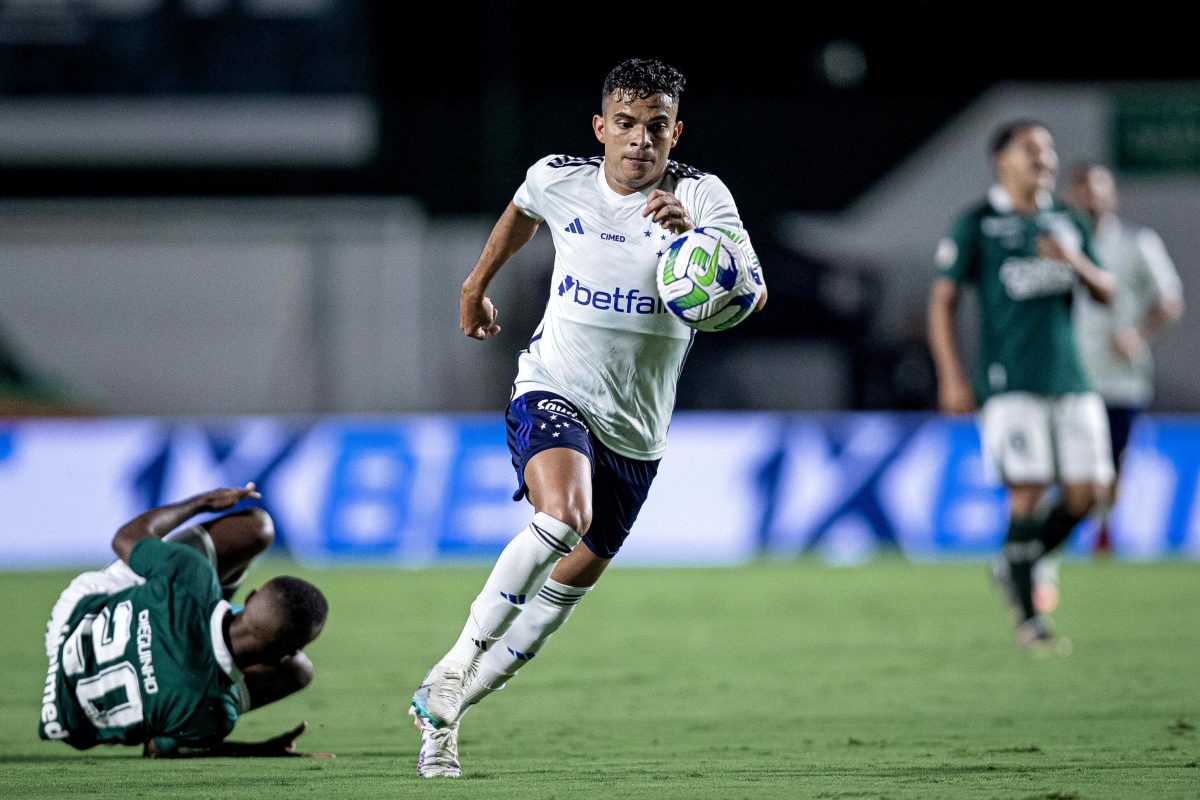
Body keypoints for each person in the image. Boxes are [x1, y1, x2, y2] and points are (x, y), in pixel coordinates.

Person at [408, 58, 767, 777]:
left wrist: (701, 238)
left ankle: (443, 721)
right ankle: (453, 662)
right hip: (553, 387)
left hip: (637, 429)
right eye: (626, 125)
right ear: (601, 128)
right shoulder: (559, 177)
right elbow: (520, 212)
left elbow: (752, 293)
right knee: (563, 516)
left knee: (559, 598)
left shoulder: (701, 194)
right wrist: (476, 283)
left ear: (675, 133)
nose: (640, 140)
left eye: (656, 127)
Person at [927, 120, 1115, 650]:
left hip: (1071, 378)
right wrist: (951, 375)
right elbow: (943, 301)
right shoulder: (979, 223)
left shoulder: (1068, 221)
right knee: (1027, 494)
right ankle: (1031, 621)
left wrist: (1074, 259)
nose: (1045, 158)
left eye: (1049, 149)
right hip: (1009, 382)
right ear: (1001, 160)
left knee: (1090, 494)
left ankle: (1015, 561)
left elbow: (1108, 291)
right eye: (1032, 149)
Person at [39, 482, 332, 758]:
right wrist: (259, 750)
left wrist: (203, 502)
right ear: (285, 653)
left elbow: (125, 538)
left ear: (252, 595)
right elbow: (162, 748)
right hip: (70, 719)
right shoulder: (214, 712)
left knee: (257, 529)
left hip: (75, 623)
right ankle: (164, 706)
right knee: (299, 672)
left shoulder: (192, 574)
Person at [1068, 162, 1184, 551]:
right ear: (1072, 195)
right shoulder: (1061, 245)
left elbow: (1170, 300)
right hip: (1070, 375)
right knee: (1073, 465)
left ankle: (1103, 531)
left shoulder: (1138, 243)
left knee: (1112, 465)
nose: (1092, 198)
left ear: (1112, 195)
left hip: (1121, 376)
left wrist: (1139, 333)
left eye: (1099, 189)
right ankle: (1067, 530)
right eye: (1084, 189)